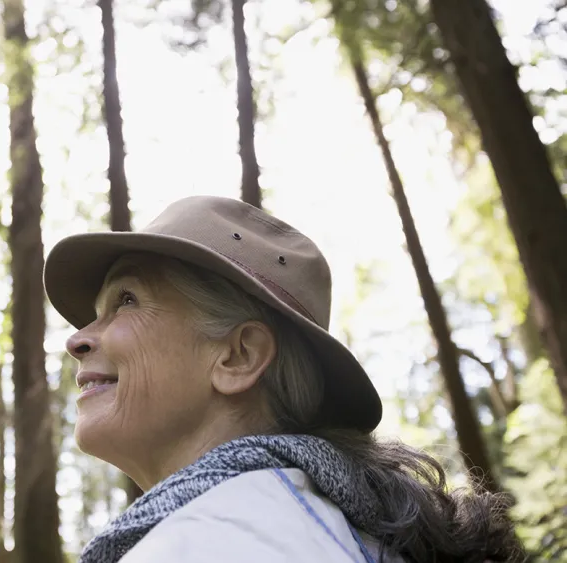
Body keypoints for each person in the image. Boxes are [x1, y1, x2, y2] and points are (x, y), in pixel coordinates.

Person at [43, 196, 520, 563]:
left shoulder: (221, 538)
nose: (77, 339)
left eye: (126, 300)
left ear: (238, 356)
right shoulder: (321, 526)